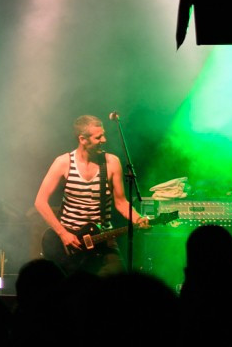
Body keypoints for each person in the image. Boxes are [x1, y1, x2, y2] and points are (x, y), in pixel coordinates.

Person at [34, 114, 148, 276]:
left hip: (102, 238)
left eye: (104, 135)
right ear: (83, 139)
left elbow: (121, 202)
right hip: (71, 241)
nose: (104, 140)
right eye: (98, 137)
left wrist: (138, 218)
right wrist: (63, 233)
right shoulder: (63, 162)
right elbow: (40, 202)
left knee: (118, 287)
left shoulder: (111, 163)